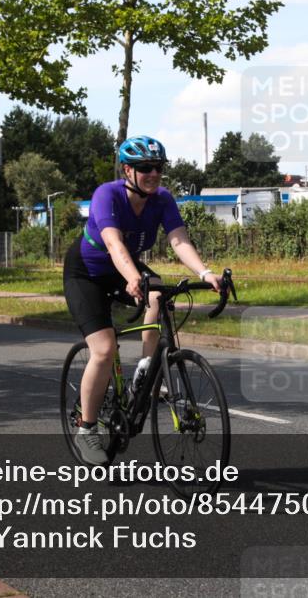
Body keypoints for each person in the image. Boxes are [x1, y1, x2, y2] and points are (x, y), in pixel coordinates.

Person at [63, 136, 222, 465]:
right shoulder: (107, 194)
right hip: (87, 274)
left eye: (158, 168)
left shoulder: (162, 199)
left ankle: (146, 370)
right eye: (145, 168)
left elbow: (179, 240)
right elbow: (113, 243)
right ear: (127, 170)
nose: (153, 174)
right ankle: (87, 428)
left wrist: (205, 272)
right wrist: (132, 276)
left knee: (159, 291)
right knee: (104, 350)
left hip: (125, 268)